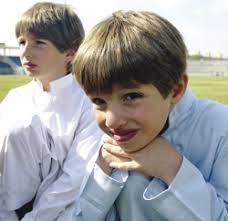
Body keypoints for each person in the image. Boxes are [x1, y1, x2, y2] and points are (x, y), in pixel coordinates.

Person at [72, 10, 228, 220]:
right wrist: (100, 175)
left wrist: (174, 170)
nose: (112, 121)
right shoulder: (111, 140)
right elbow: (81, 216)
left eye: (131, 96)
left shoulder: (220, 127)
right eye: (98, 101)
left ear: (175, 89)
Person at [0, 2, 102, 221]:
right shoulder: (15, 98)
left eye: (39, 43)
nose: (25, 52)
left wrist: (34, 218)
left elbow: (76, 177)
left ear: (70, 52)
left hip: (62, 213)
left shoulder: (90, 102)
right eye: (22, 42)